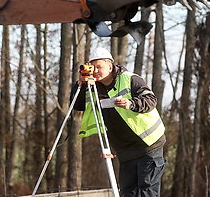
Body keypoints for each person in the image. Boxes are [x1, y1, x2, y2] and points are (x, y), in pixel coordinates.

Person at [71, 47, 166, 197]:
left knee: (147, 192)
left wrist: (131, 104)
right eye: (92, 67)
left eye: (98, 67)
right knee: (128, 193)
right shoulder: (92, 87)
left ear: (110, 66)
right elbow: (77, 105)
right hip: (125, 150)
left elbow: (151, 100)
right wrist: (80, 84)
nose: (95, 71)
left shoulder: (130, 79)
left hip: (148, 146)